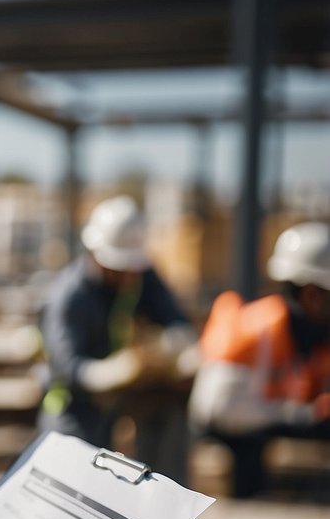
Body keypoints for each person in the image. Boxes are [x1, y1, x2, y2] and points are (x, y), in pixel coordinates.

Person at [37, 195, 196, 464]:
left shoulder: (139, 274)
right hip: (75, 405)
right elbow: (67, 365)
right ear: (96, 255)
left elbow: (174, 319)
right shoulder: (69, 296)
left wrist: (172, 346)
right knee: (70, 467)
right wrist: (110, 373)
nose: (127, 276)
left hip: (121, 401)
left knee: (166, 423)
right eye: (119, 268)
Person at [189, 221, 330, 497]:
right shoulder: (253, 332)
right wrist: (299, 414)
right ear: (312, 294)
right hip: (235, 440)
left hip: (271, 425)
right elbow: (214, 410)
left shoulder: (311, 336)